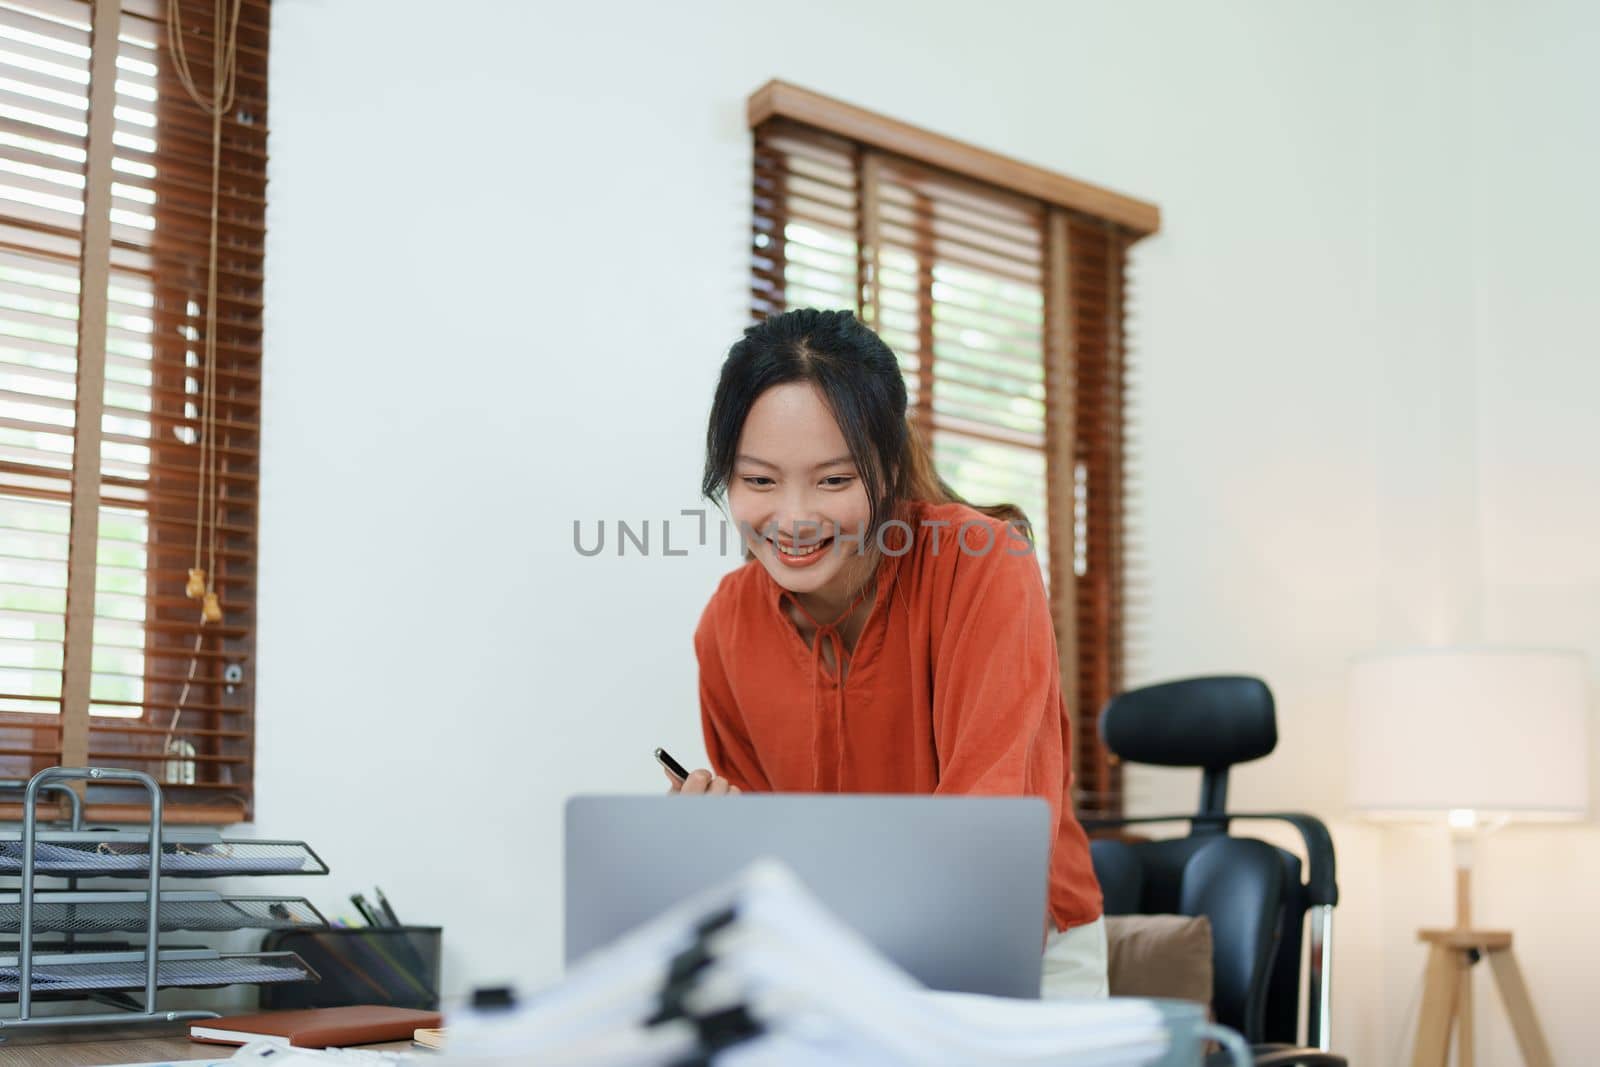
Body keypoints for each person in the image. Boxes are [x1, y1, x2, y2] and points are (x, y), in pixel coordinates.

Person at [668, 308, 1107, 998]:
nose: (793, 517)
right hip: (840, 960)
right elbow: (772, 865)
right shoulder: (725, 623)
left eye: (834, 481)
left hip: (1018, 943)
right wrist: (715, 842)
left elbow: (985, 830)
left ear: (889, 466)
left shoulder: (984, 565)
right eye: (758, 481)